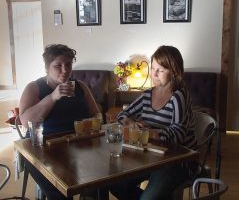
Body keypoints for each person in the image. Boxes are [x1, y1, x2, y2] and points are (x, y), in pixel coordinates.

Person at [110, 45, 197, 200]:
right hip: (151, 158)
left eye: (161, 70)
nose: (154, 74)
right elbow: (122, 115)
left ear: (175, 72)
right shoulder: (147, 95)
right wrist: (130, 123)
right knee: (114, 184)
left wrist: (150, 133)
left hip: (178, 162)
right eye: (153, 68)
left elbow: (178, 134)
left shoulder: (178, 96)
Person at [19, 44, 102, 200]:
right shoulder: (34, 88)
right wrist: (52, 97)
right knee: (60, 192)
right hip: (43, 149)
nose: (65, 70)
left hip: (79, 145)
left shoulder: (81, 87)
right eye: (58, 66)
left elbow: (96, 113)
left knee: (100, 181)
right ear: (46, 67)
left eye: (68, 65)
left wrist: (93, 123)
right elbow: (25, 122)